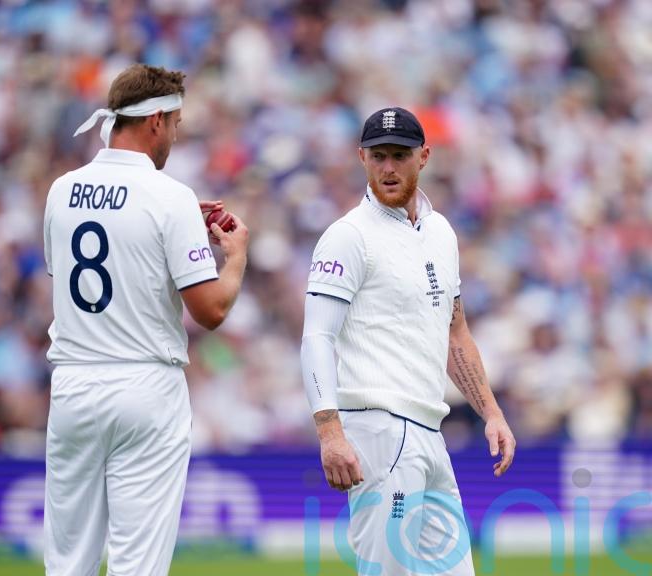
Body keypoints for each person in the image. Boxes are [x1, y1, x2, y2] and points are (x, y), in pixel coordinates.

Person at [42, 64, 248, 576]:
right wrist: (237, 256)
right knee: (139, 564)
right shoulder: (168, 195)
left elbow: (79, 264)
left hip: (73, 384)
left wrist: (170, 226)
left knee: (68, 561)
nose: (176, 136)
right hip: (144, 385)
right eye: (175, 124)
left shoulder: (62, 189)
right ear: (155, 120)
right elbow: (212, 310)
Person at [300, 107, 516, 575]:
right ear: (361, 157)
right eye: (378, 156)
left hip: (428, 431)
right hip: (377, 429)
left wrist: (491, 412)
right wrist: (329, 431)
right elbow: (316, 337)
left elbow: (454, 331)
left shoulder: (440, 232)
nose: (389, 168)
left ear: (425, 156)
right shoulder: (348, 237)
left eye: (400, 155)